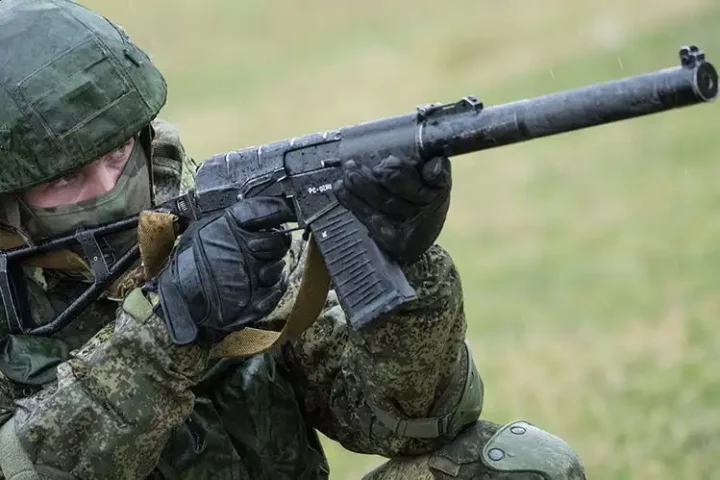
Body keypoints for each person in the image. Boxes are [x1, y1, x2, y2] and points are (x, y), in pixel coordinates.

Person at [0, 0, 586, 478]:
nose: (113, 187)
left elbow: (412, 420)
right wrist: (168, 334)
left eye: (117, 152)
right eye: (64, 179)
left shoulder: (218, 235)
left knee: (518, 466)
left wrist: (403, 263)